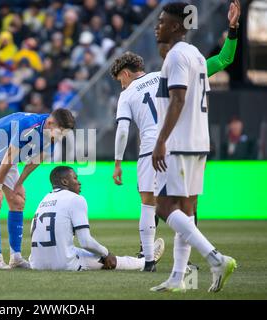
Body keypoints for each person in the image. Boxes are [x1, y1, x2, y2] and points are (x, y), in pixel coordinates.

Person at [151, 2, 236, 293]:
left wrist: (161, 140)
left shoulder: (176, 57)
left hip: (179, 143)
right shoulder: (197, 55)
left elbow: (178, 100)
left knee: (162, 206)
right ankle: (178, 278)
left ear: (176, 26)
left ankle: (216, 258)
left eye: (161, 21)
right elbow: (203, 99)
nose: (157, 26)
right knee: (186, 212)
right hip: (198, 142)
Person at [0, 108, 75, 269]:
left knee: (18, 201)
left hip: (6, 157)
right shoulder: (27, 128)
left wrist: (19, 183)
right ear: (50, 123)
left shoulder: (51, 134)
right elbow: (9, 157)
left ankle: (16, 257)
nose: (61, 136)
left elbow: (36, 160)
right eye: (60, 132)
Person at [29, 166, 165, 271]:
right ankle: (145, 260)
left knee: (79, 251)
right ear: (65, 181)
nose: (79, 183)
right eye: (75, 178)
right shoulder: (76, 199)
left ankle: (143, 258)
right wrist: (107, 254)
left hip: (36, 263)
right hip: (64, 263)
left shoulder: (43, 200)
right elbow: (86, 242)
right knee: (109, 259)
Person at [110, 52, 160, 272]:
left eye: (120, 80)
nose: (121, 85)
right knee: (181, 203)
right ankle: (185, 261)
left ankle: (148, 261)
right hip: (177, 145)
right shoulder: (163, 76)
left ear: (126, 73)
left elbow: (122, 130)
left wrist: (118, 162)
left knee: (148, 204)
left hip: (151, 148)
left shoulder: (128, 94)